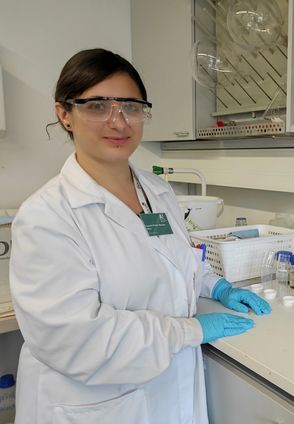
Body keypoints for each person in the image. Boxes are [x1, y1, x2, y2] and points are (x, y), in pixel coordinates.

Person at [9, 48, 271, 424]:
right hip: (96, 403)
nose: (118, 122)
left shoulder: (156, 192)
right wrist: (189, 330)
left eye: (131, 106)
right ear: (64, 113)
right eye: (97, 105)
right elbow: (76, 337)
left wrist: (216, 287)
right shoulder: (47, 216)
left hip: (168, 387)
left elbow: (172, 260)